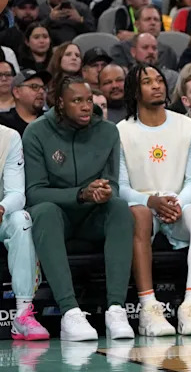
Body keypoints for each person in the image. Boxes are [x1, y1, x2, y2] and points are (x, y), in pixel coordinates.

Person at [24, 76, 135, 341]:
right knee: (44, 212)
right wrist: (81, 194)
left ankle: (116, 309)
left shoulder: (108, 131)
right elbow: (34, 192)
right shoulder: (37, 132)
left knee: (120, 208)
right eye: (77, 101)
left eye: (88, 100)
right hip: (58, 217)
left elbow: (115, 185)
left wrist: (105, 192)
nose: (86, 107)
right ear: (60, 103)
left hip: (92, 216)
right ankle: (70, 312)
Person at [117, 65, 191, 336]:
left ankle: (190, 307)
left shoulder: (189, 126)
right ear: (135, 91)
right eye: (147, 82)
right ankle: (148, 308)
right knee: (139, 215)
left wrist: (178, 204)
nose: (157, 85)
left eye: (159, 80)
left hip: (177, 206)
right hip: (144, 209)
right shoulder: (121, 131)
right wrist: (151, 201)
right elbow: (121, 187)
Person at [0, 119, 49, 340]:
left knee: (21, 219)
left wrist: (2, 207)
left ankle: (22, 314)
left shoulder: (9, 137)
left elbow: (17, 194)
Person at [110, 5, 177, 71]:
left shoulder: (169, 52)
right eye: (148, 19)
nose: (153, 23)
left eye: (156, 20)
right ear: (137, 25)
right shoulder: (121, 49)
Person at [0, 69, 48, 136]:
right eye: (34, 86)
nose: (41, 91)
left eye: (44, 88)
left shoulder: (52, 120)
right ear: (16, 92)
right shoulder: (3, 123)